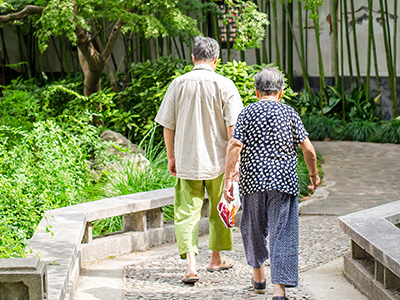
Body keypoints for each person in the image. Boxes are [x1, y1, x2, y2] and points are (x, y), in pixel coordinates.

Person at [223, 67, 320, 299]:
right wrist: (314, 174)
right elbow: (308, 149)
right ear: (281, 91)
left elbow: (235, 145)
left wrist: (228, 179)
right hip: (284, 182)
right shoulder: (289, 113)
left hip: (253, 180)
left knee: (252, 227)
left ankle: (258, 277)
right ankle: (279, 289)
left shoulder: (247, 113)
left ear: (257, 92)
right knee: (282, 232)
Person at [155, 36, 243, 284]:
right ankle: (215, 259)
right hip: (218, 161)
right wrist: (233, 164)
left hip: (187, 161)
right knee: (220, 208)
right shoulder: (225, 84)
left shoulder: (178, 84)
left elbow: (167, 125)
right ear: (217, 60)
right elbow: (233, 129)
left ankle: (191, 265)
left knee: (186, 213)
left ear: (193, 58)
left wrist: (171, 156)